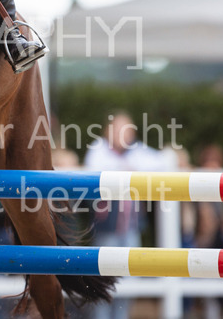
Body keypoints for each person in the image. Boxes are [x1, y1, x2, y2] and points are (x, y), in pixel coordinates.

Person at [83, 111, 168, 319]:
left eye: (127, 129)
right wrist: (129, 170)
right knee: (104, 277)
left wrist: (128, 168)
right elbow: (93, 168)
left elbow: (161, 163)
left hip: (131, 228)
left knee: (130, 278)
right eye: (120, 129)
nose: (125, 134)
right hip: (107, 229)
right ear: (109, 131)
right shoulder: (99, 149)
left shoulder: (136, 151)